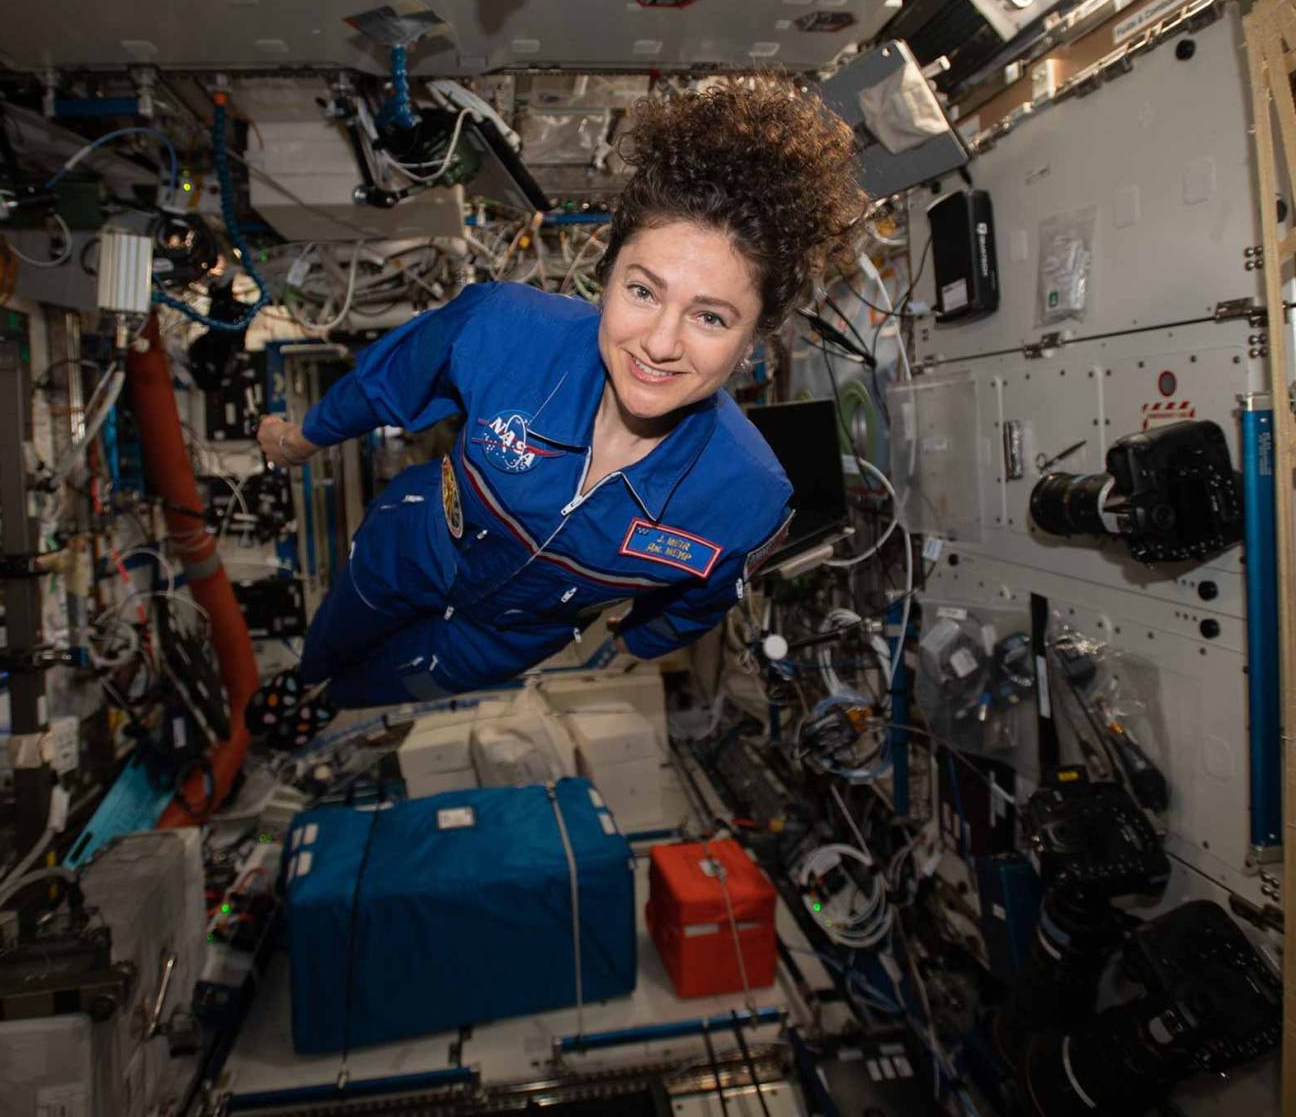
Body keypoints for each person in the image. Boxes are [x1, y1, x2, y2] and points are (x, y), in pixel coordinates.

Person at [249, 75, 865, 747]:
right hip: (413, 547)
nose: (659, 344)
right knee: (340, 629)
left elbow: (696, 605)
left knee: (384, 684)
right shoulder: (504, 327)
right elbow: (387, 380)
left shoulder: (749, 498)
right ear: (606, 275)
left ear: (753, 339)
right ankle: (306, 674)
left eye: (710, 316)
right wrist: (299, 440)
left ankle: (331, 701)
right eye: (643, 290)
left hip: (502, 640)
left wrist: (634, 637)